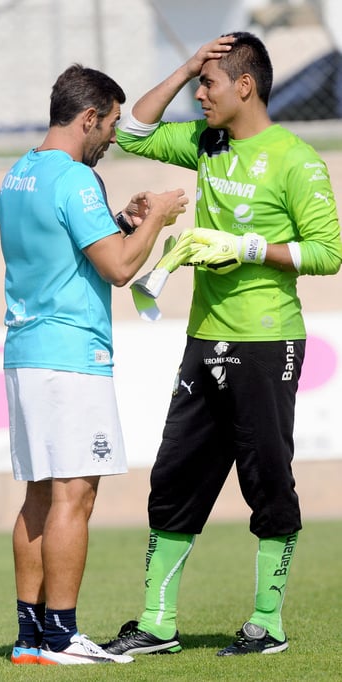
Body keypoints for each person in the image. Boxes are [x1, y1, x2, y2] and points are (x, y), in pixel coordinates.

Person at [100, 32, 342, 657]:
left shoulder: (295, 159)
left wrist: (249, 249)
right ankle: (156, 624)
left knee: (267, 479)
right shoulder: (208, 143)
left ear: (245, 86)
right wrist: (188, 63)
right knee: (174, 478)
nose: (199, 95)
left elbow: (328, 253)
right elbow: (130, 131)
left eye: (209, 84)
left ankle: (267, 622)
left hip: (267, 343)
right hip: (203, 340)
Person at [0, 63, 190, 666]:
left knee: (36, 496)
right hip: (72, 355)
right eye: (110, 124)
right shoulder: (77, 179)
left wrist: (122, 225)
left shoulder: (17, 174)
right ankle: (62, 635)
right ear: (88, 117)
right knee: (74, 495)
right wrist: (156, 216)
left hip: (26, 352)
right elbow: (119, 269)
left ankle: (30, 638)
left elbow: (72, 250)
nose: (112, 136)